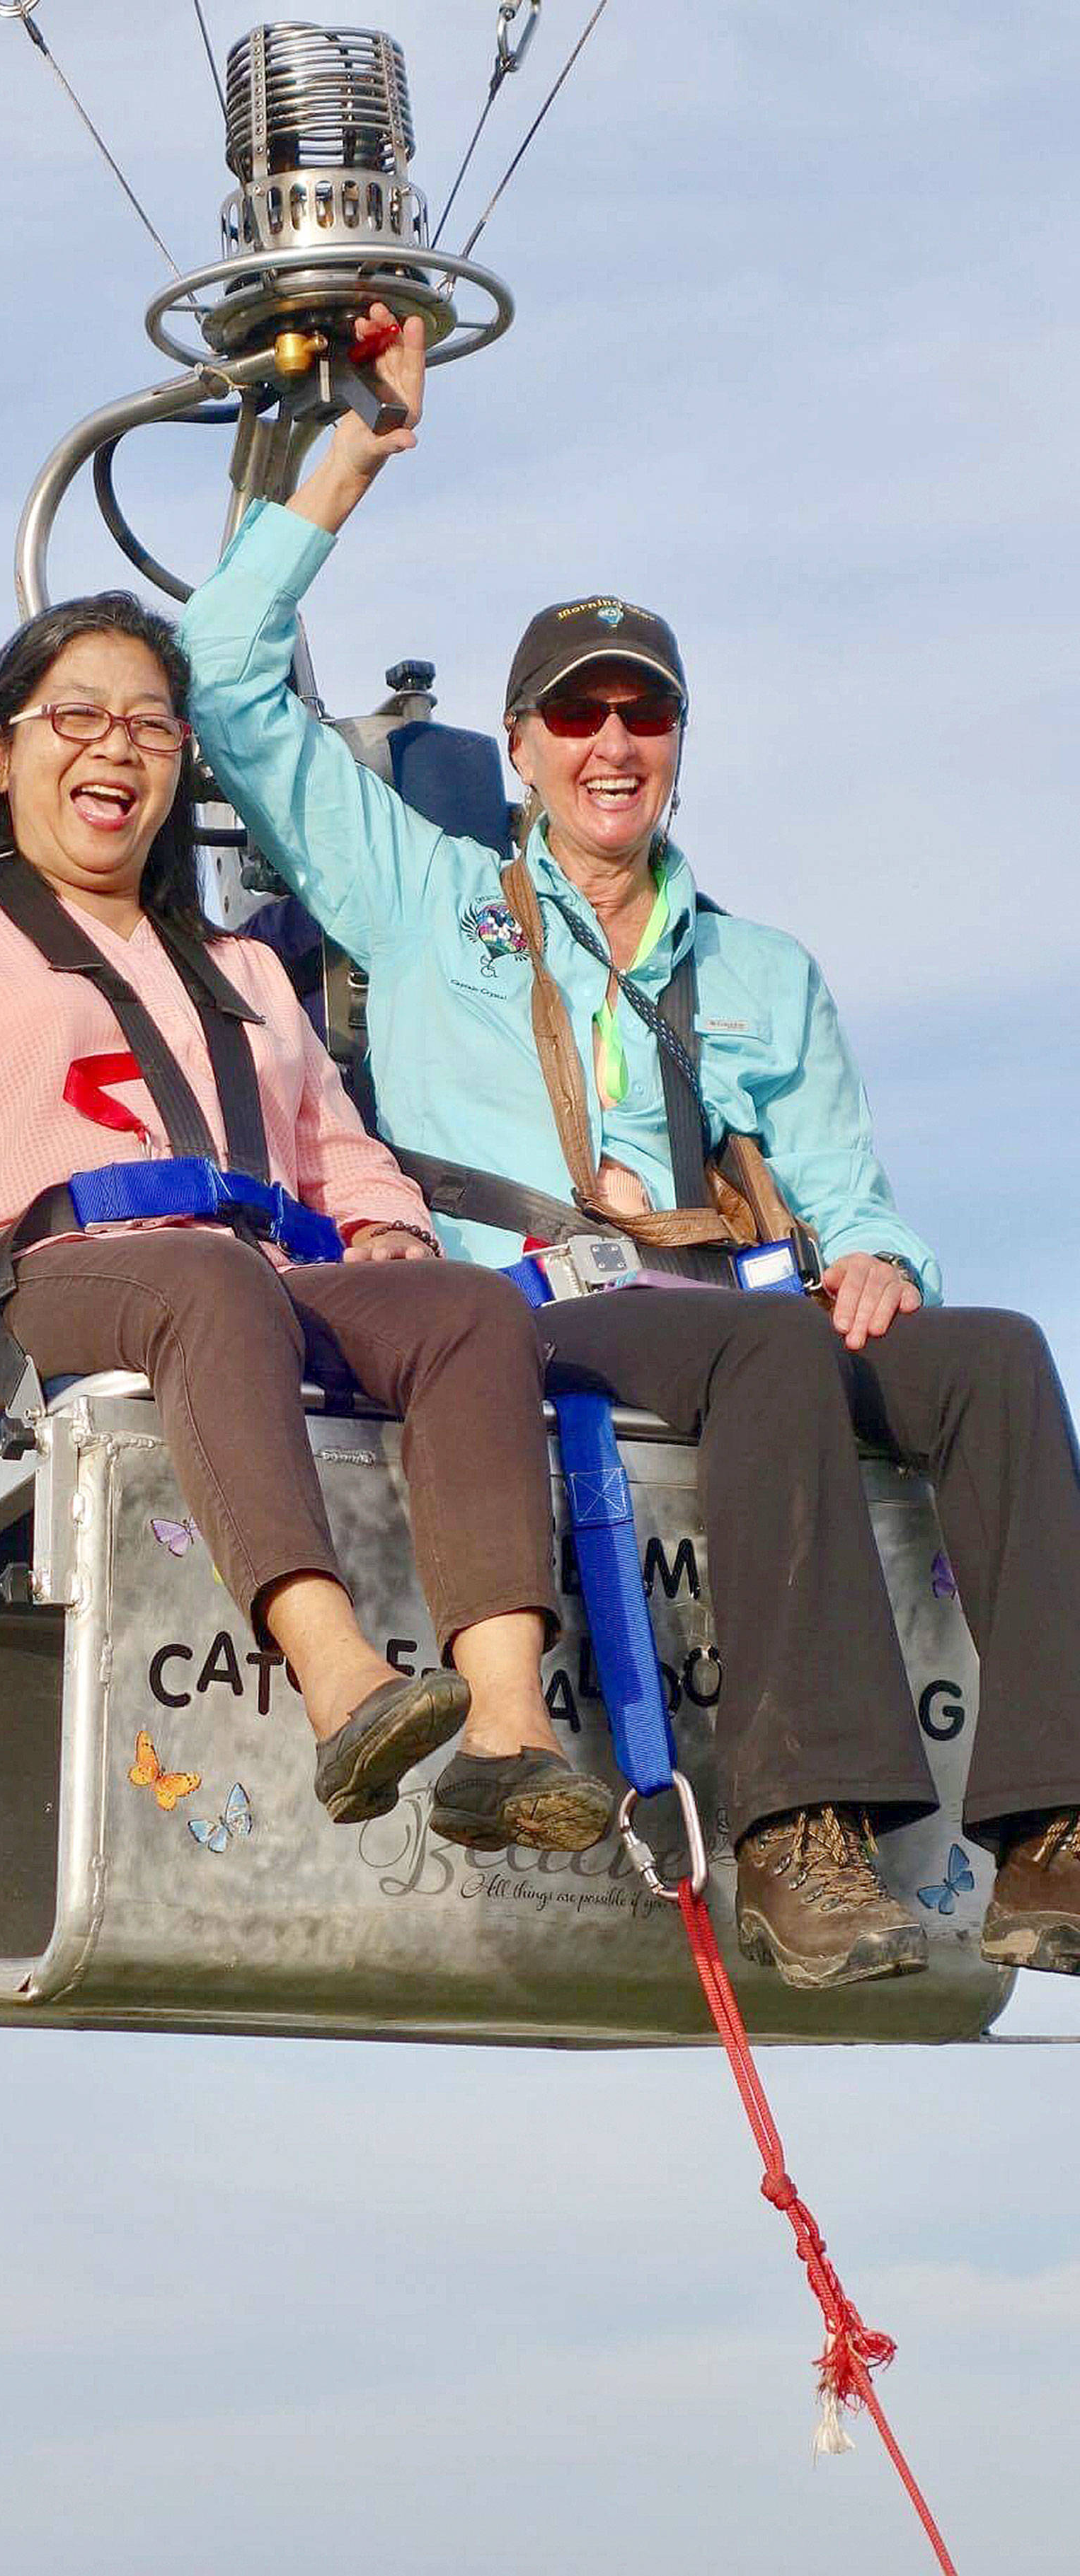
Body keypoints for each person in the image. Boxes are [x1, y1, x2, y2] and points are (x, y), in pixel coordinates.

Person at [179, 306, 1080, 1989]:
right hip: (529, 1319)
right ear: (520, 749)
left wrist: (878, 1261)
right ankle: (801, 1842)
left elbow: (849, 1193)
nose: (612, 743)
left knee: (994, 1354)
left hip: (733, 1325)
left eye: (642, 714)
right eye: (576, 713)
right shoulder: (424, 895)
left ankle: (1048, 1833)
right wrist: (352, 458)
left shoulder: (759, 971)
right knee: (763, 1347)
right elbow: (225, 672)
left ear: (676, 744)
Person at [0, 601, 616, 1858]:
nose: (117, 745)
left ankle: (506, 1733)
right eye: (78, 716)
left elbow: (341, 1153)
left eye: (149, 726)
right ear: (2, 750)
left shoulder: (241, 972)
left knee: (468, 1310)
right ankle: (341, 1681)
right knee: (206, 1276)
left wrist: (387, 1231)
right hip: (39, 1289)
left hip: (253, 1281)